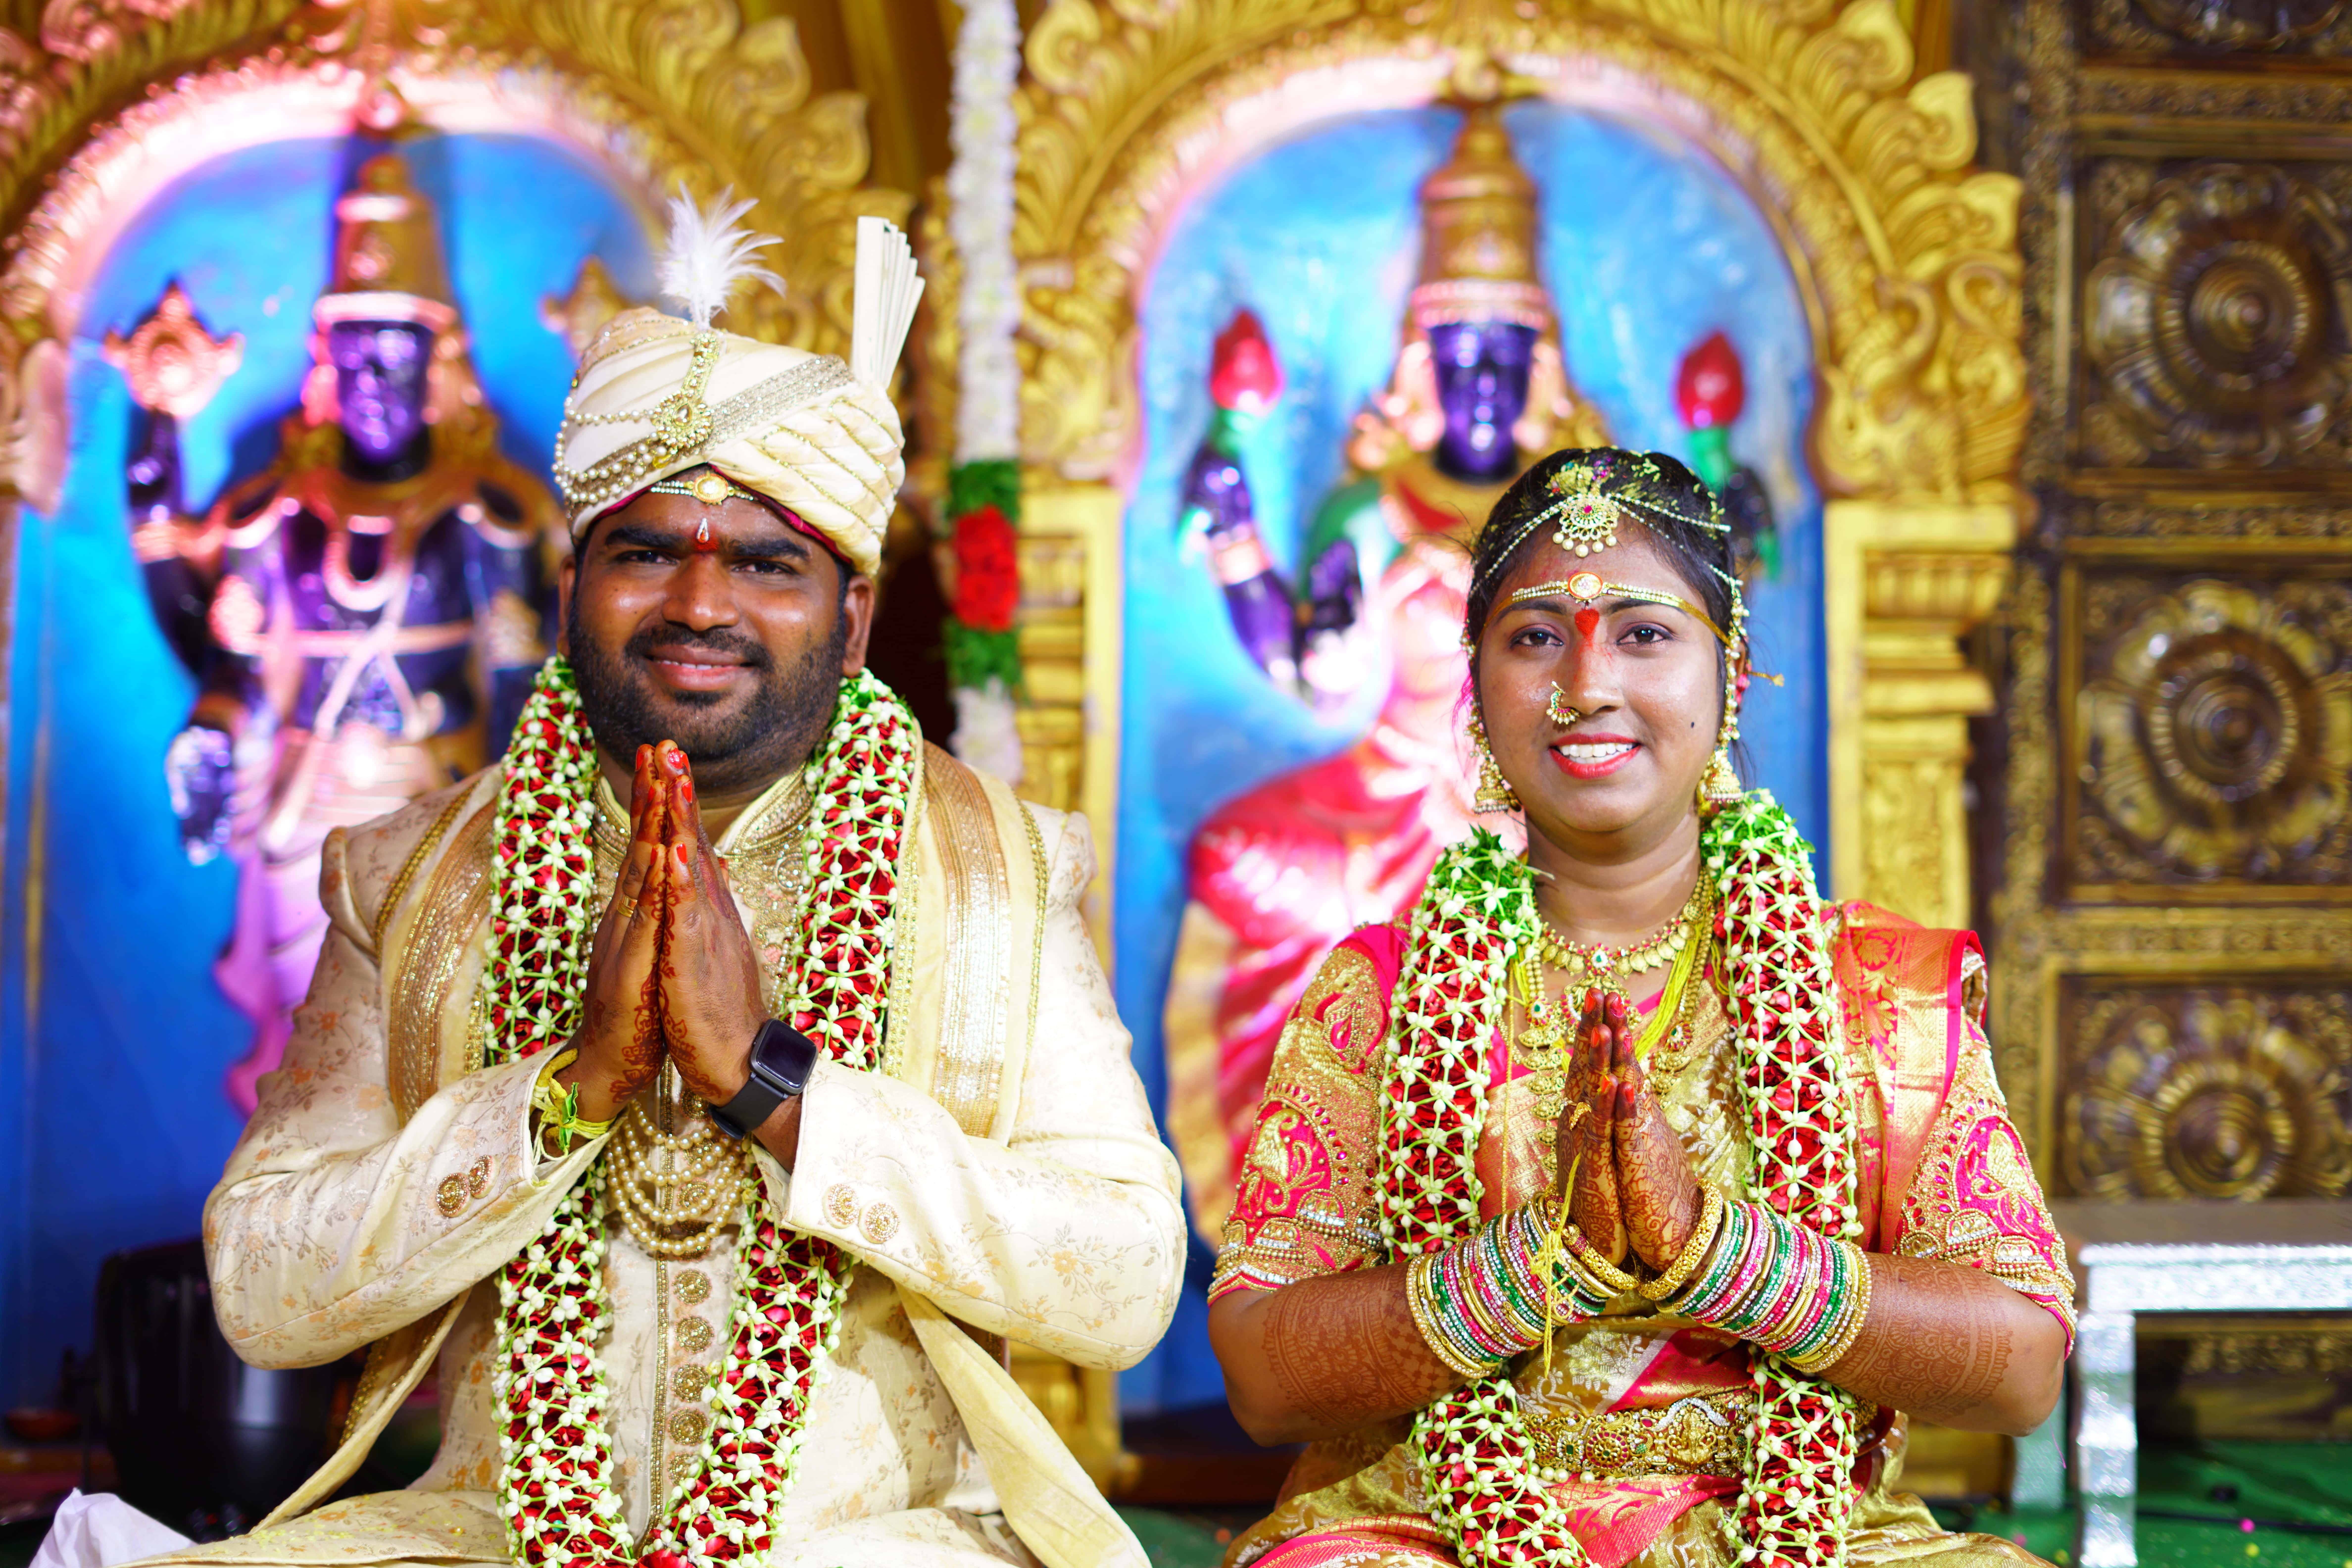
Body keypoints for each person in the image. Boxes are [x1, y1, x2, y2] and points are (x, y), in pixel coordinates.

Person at [128, 197, 1183, 1568]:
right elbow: (263, 1287)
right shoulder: (406, 877)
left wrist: (775, 1089)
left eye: (768, 562)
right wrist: (563, 1094)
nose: (698, 603)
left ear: (853, 618)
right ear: (574, 584)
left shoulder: (998, 870)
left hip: (876, 1549)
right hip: (493, 1545)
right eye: (645, 550)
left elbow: (1124, 1280)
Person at [1206, 447, 2074, 1568]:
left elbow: (2023, 1370)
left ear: (1732, 670)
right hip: (1431, 1534)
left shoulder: (1875, 991)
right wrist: (1534, 1264)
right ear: (1475, 684)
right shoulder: (1380, 991)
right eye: (1534, 638)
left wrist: (1723, 1255)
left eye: (1645, 633)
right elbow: (1264, 1376)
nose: (1586, 686)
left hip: (1801, 1536)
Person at [1165, 99, 1609, 1239]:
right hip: (1384, 797)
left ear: (1541, 365)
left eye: (1504, 361)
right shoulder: (1372, 508)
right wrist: (1236, 533)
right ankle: (1309, 1214)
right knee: (1237, 854)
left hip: (1539, 803)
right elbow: (1310, 668)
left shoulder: (1581, 516)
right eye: (1459, 359)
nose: (1481, 387)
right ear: (1421, 361)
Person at [125, 152, 563, 1111]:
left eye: (396, 360)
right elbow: (235, 667)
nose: (373, 383)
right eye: (355, 358)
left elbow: (522, 685)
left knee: (436, 1030)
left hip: (435, 790)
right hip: (308, 798)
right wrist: (214, 733)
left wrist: (524, 817)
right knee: (309, 1032)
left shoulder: (488, 517)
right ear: (326, 365)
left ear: (437, 368)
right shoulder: (273, 516)